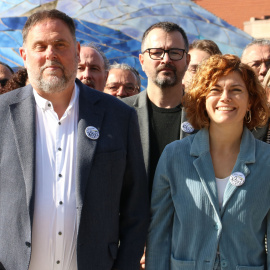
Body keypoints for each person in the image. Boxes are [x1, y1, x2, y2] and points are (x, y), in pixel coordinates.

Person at [0, 9, 149, 270]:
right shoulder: (1, 115)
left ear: (77, 51)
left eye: (60, 44)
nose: (50, 54)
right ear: (24, 56)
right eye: (40, 46)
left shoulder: (119, 117)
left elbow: (135, 209)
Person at [146, 54, 270, 270]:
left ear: (250, 100)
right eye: (215, 90)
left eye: (236, 90)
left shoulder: (267, 161)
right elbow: (159, 234)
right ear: (202, 98)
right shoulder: (174, 156)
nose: (225, 97)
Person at [123, 21, 193, 198]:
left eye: (175, 52)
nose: (166, 59)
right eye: (156, 53)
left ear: (187, 60)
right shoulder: (120, 113)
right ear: (142, 60)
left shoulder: (204, 115)